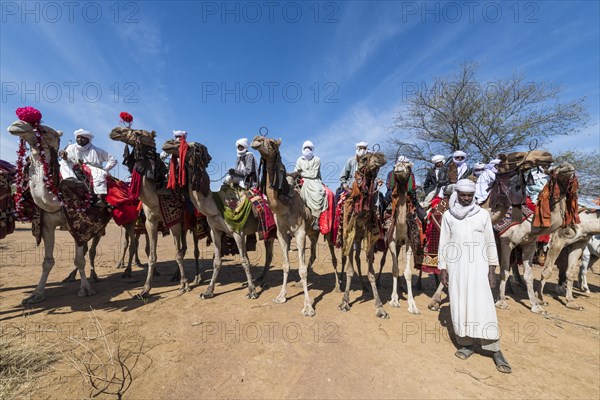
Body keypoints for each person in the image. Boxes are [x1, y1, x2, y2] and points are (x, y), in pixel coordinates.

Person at [438, 179, 511, 374]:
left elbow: (489, 242)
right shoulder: (448, 216)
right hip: (456, 267)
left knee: (484, 305)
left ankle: (494, 349)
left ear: (473, 196)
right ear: (457, 194)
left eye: (469, 195)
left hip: (479, 267)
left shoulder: (482, 215)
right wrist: (442, 268)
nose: (466, 198)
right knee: (460, 303)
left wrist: (492, 269)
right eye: (463, 195)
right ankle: (466, 343)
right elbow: (444, 243)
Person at [59, 128, 117, 207]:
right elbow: (69, 160)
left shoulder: (97, 150)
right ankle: (70, 179)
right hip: (75, 167)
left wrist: (105, 169)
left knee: (100, 174)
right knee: (63, 163)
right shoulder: (71, 147)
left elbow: (113, 159)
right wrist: (65, 157)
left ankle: (100, 197)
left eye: (82, 137)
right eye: (78, 137)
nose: (80, 139)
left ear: (88, 139)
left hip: (92, 168)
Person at [295, 140, 327, 230]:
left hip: (314, 180)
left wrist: (302, 173)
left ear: (312, 149)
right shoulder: (299, 160)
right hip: (302, 180)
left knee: (318, 194)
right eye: (305, 148)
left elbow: (314, 174)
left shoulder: (316, 159)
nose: (307, 149)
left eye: (309, 148)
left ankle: (316, 219)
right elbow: (296, 170)